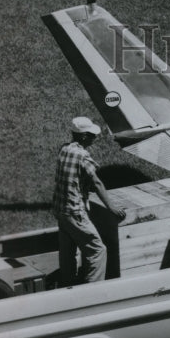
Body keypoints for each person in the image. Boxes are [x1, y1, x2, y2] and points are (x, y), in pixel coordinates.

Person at [52, 116, 125, 285]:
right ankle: (92, 293)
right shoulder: (82, 156)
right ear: (83, 136)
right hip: (75, 212)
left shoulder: (64, 149)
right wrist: (112, 208)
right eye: (92, 135)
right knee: (98, 251)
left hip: (60, 210)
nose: (95, 137)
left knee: (68, 252)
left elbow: (74, 177)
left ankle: (68, 285)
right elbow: (97, 183)